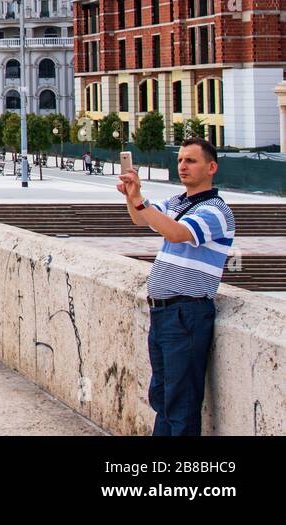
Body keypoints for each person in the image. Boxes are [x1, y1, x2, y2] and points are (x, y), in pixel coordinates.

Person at [119, 137, 235, 436]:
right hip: (164, 315)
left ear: (212, 167)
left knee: (181, 403)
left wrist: (142, 202)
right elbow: (140, 218)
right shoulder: (178, 202)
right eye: (181, 159)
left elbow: (177, 233)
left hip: (187, 313)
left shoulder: (216, 210)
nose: (182, 165)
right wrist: (132, 195)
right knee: (164, 397)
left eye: (191, 160)